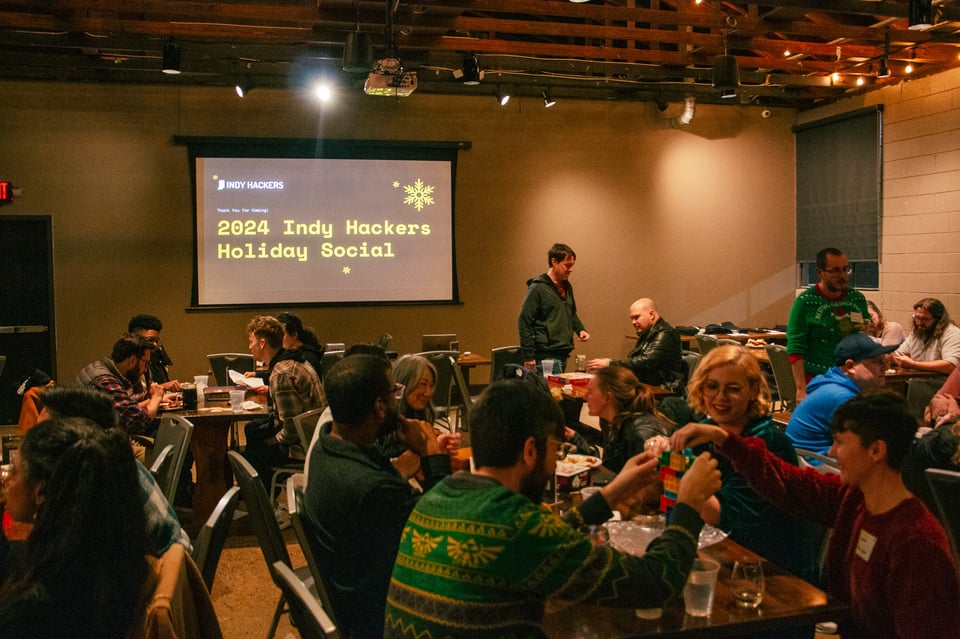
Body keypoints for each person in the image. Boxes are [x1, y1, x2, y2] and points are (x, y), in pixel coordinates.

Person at [383, 379, 722, 639]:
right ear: (530, 451)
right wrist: (687, 504)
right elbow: (654, 585)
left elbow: (541, 536)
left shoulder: (438, 495)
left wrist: (615, 491)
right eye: (555, 450)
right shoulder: (516, 523)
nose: (554, 460)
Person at [672, 390, 960, 639]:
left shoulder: (916, 541)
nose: (832, 453)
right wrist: (724, 438)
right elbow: (790, 483)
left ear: (876, 450)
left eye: (840, 443)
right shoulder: (855, 499)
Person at [302, 354, 452, 639]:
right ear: (380, 406)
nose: (399, 399)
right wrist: (434, 456)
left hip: (352, 583)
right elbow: (436, 530)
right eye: (394, 393)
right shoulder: (371, 490)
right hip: (380, 611)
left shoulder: (329, 446)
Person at [679, 344, 820, 583]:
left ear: (753, 390)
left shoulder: (767, 442)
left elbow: (721, 516)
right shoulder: (707, 430)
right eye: (711, 386)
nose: (720, 398)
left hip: (772, 575)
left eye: (733, 389)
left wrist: (675, 465)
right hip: (723, 556)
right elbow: (668, 497)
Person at [0, 416, 150, 637]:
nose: (6, 481)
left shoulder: (36, 608)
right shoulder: (100, 549)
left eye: (13, 471)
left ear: (40, 492)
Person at [37, 385, 191, 556]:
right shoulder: (102, 460)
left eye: (43, 436)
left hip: (163, 570)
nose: (35, 444)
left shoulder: (97, 479)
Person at [786, 332, 898, 457]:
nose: (885, 367)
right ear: (850, 366)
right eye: (876, 361)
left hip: (806, 459)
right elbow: (860, 446)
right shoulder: (842, 396)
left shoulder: (834, 385)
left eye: (884, 361)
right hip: (813, 463)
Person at [243, 315, 324, 484]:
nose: (249, 346)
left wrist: (269, 441)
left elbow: (290, 431)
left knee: (250, 457)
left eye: (251, 342)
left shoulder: (282, 374)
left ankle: (265, 503)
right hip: (313, 434)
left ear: (262, 343)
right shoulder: (292, 361)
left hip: (302, 446)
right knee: (254, 431)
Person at [786, 247, 869, 402]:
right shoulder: (805, 302)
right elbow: (796, 348)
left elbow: (865, 337)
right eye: (835, 271)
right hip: (817, 379)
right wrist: (801, 388)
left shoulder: (857, 299)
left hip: (851, 379)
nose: (842, 276)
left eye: (845, 269)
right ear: (820, 272)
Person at [567, 364, 674, 473]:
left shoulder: (640, 434)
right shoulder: (617, 424)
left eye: (590, 392)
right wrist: (576, 439)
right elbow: (611, 468)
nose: (584, 397)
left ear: (609, 397)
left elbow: (635, 483)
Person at [378, 354, 461, 480]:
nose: (428, 392)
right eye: (422, 384)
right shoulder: (384, 421)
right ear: (402, 383)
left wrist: (437, 444)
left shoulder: (419, 413)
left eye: (431, 385)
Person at [75, 333, 163, 451]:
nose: (146, 369)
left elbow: (124, 410)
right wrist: (156, 398)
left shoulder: (102, 368)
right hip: (96, 450)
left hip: (96, 440)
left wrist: (150, 400)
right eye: (145, 363)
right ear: (132, 360)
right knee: (168, 454)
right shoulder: (105, 381)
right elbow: (138, 422)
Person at [518, 242, 590, 373]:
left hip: (562, 352)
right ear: (554, 262)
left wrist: (580, 329)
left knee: (557, 392)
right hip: (545, 354)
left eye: (572, 266)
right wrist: (528, 355)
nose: (571, 269)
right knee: (548, 392)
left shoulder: (567, 286)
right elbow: (524, 321)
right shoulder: (538, 288)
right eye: (567, 265)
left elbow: (570, 313)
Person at [588, 298, 684, 391]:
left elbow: (647, 362)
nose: (633, 322)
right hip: (647, 385)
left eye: (636, 317)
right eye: (632, 318)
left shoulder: (665, 334)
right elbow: (635, 360)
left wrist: (610, 363)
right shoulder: (647, 333)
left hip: (663, 390)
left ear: (651, 314)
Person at [891, 297, 960, 375]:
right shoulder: (918, 332)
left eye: (925, 319)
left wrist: (913, 365)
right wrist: (889, 358)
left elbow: (951, 365)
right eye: (917, 318)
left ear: (938, 320)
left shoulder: (952, 333)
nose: (919, 322)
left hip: (941, 382)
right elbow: (899, 354)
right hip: (920, 382)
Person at [128, 314, 181, 391]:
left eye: (156, 340)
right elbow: (133, 395)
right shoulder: (129, 361)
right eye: (150, 340)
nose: (155, 344)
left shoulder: (155, 354)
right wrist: (163, 386)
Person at [276, 311, 325, 378]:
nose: (278, 338)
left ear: (294, 335)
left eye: (282, 334)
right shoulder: (289, 353)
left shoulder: (306, 358)